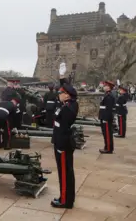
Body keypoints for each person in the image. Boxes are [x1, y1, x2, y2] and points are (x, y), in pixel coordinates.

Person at [51, 63, 78, 209]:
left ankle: (65, 200)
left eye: (61, 93)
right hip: (61, 141)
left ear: (67, 95)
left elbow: (63, 127)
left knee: (64, 173)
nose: (58, 95)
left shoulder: (68, 108)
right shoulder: (68, 104)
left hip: (63, 144)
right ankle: (66, 197)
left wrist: (60, 146)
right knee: (66, 172)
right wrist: (62, 78)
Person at [99, 81, 116, 154]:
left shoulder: (109, 96)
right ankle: (107, 147)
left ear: (109, 87)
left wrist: (105, 118)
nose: (104, 87)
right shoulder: (107, 94)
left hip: (106, 117)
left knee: (107, 133)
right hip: (103, 116)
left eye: (105, 86)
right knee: (105, 133)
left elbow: (109, 109)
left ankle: (109, 148)